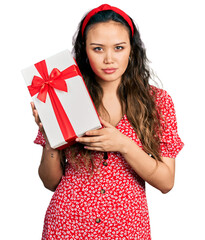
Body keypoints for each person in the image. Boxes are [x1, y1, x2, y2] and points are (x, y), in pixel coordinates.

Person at [31, 4, 184, 239]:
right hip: (67, 225)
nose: (109, 58)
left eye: (119, 48)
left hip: (127, 228)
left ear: (132, 50)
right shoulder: (65, 95)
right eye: (98, 49)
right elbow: (50, 182)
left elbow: (166, 182)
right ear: (85, 51)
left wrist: (124, 144)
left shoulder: (158, 102)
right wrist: (52, 137)